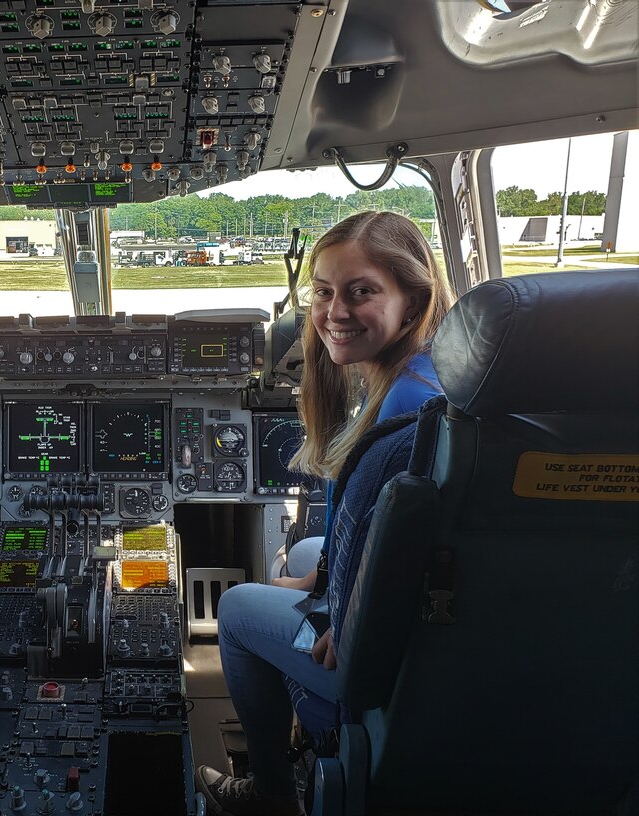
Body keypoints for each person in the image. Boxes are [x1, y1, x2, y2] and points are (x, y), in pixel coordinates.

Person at [197, 212, 455, 816]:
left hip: (380, 660)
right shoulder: (426, 377)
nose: (335, 312)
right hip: (432, 619)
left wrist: (350, 620)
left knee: (235, 607)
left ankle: (268, 791)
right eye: (323, 291)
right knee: (311, 551)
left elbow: (389, 551)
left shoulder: (404, 415)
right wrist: (320, 584)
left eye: (362, 292)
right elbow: (384, 537)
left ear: (412, 298)